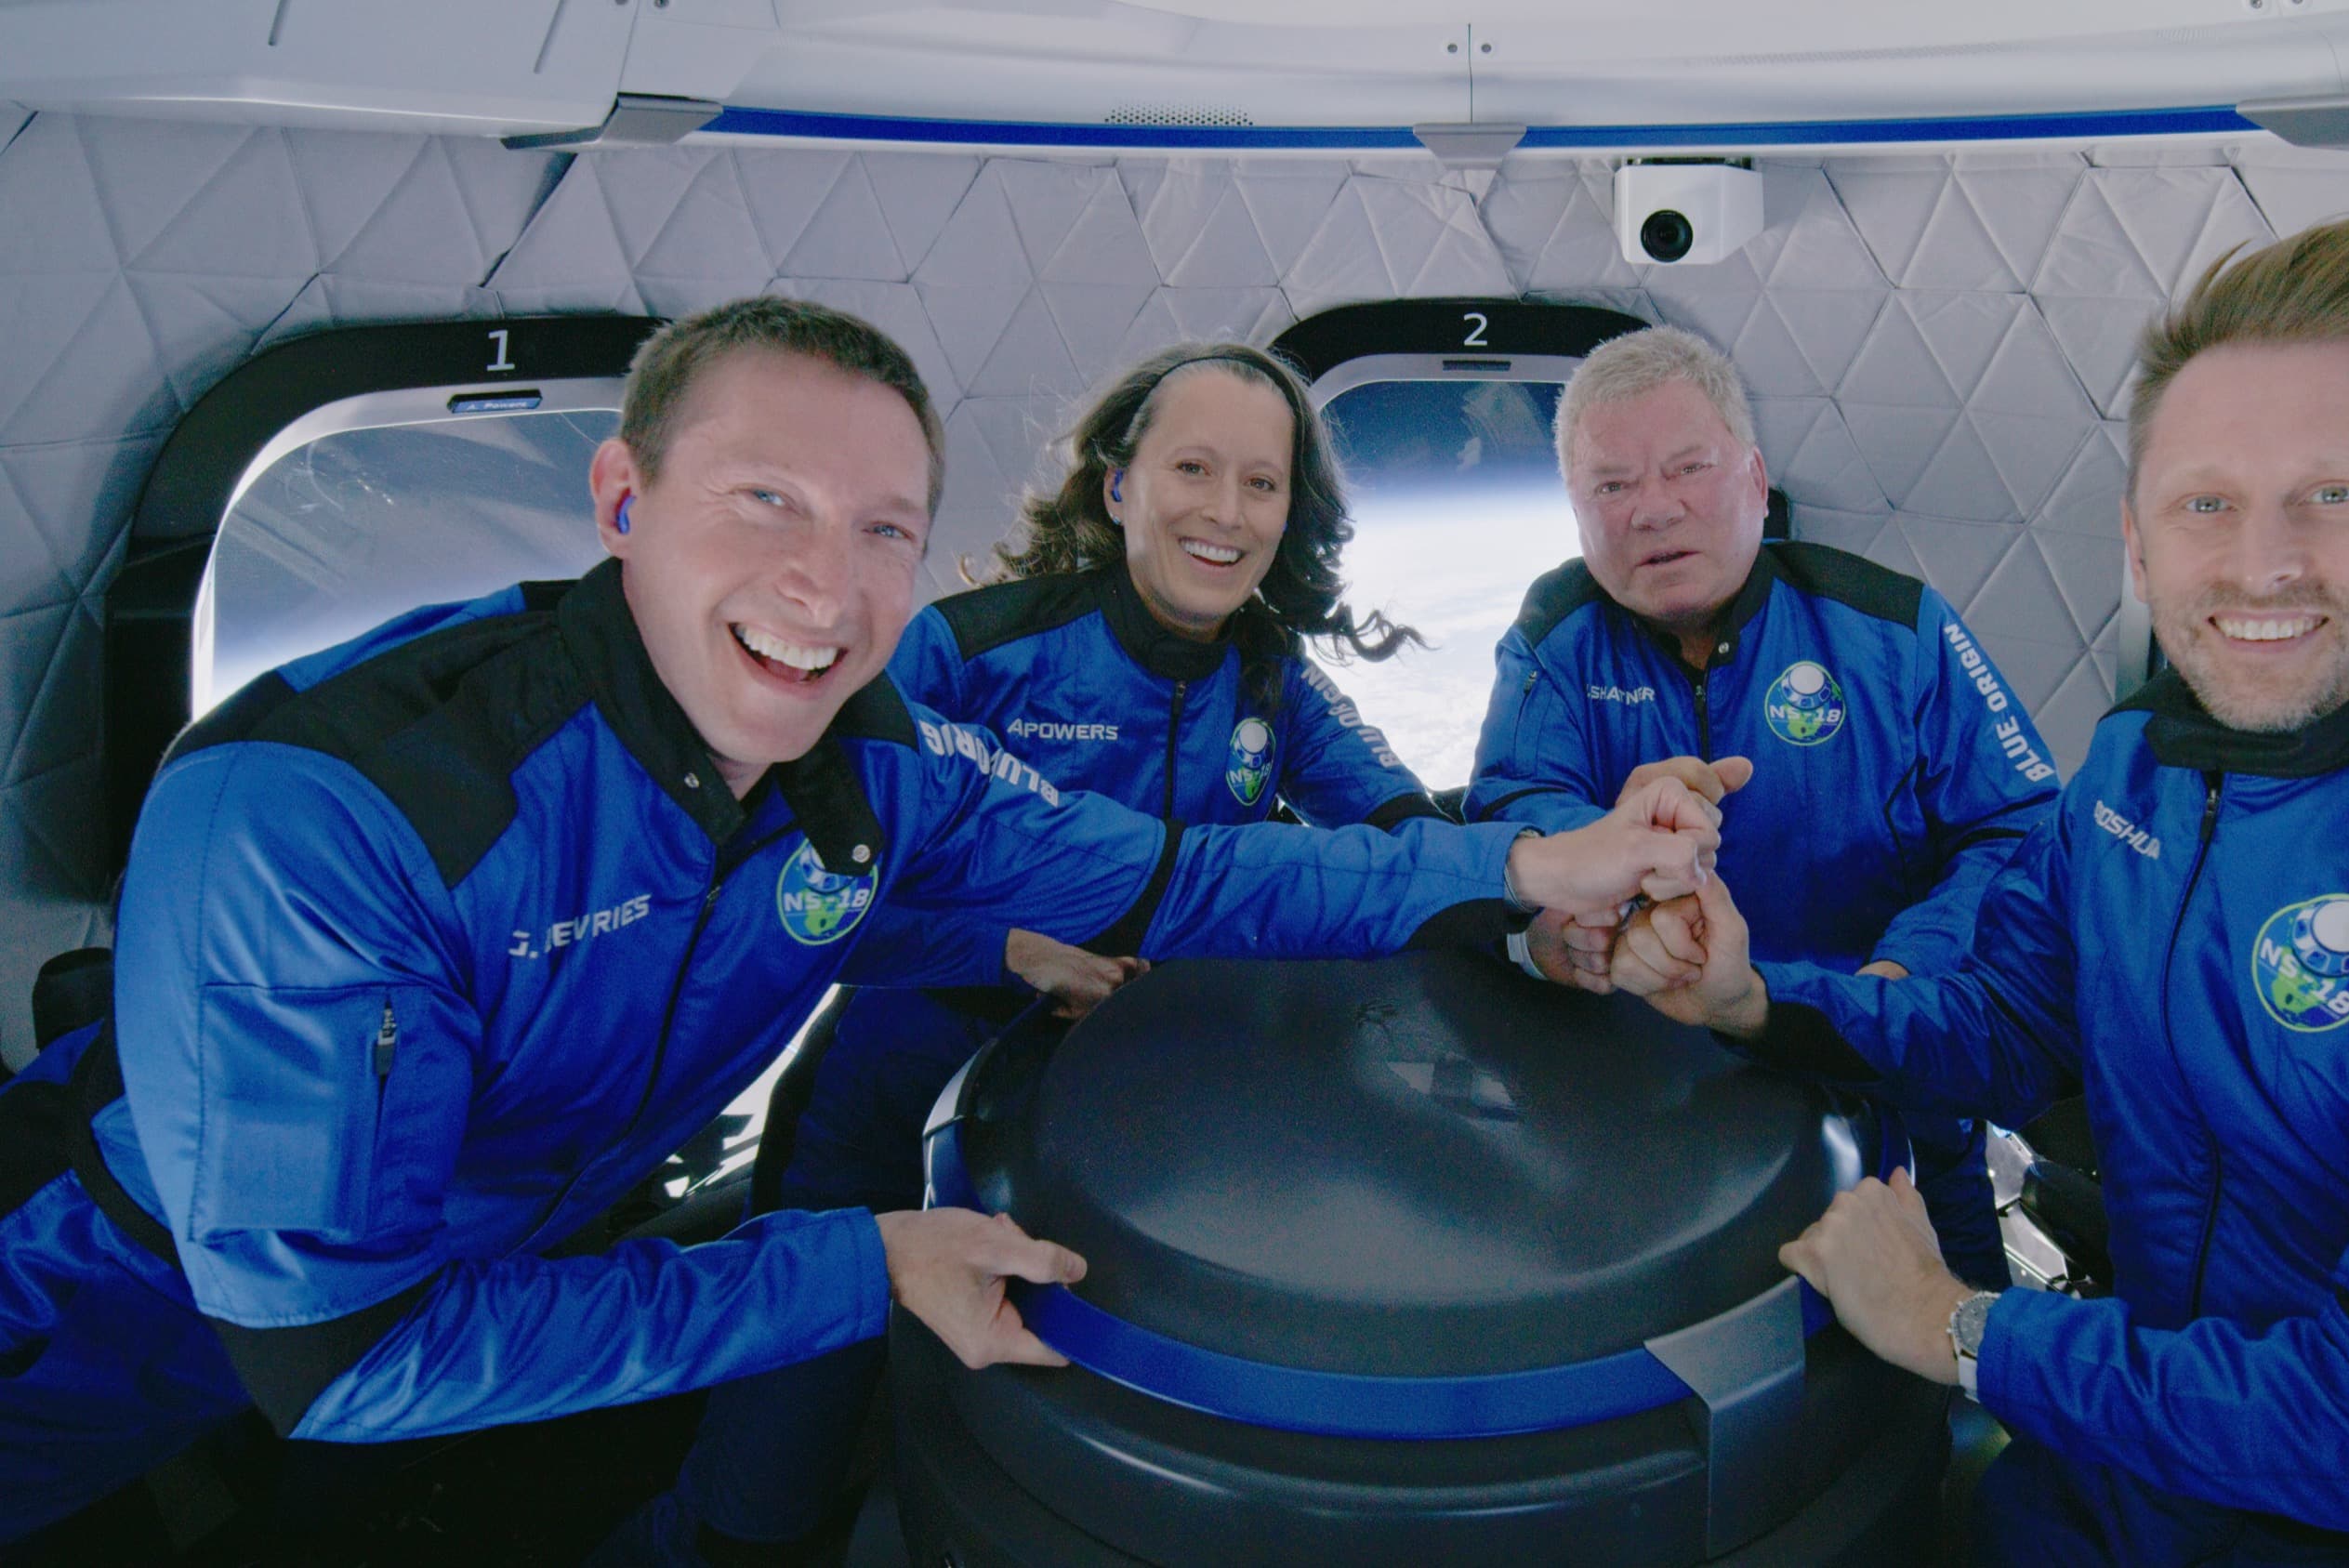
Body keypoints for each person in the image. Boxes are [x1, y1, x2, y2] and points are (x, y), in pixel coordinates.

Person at [0, 296, 1722, 1553]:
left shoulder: (879, 768)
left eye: (882, 528)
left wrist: (1527, 873)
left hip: (522, 1273)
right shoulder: (334, 814)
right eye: (767, 501)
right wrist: (868, 1258)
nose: (829, 587)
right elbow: (346, 1352)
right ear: (621, 502)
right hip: (103, 1298)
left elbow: (1187, 875)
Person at [1610, 217, 2349, 1564]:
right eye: (2205, 501)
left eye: (2336, 495)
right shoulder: (2139, 768)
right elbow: (2004, 1023)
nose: (2259, 562)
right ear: (2137, 537)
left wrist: (1959, 1324)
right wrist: (1757, 999)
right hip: (2133, 1476)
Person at [640, 340, 1448, 1564]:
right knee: (768, 1476)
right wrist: (1013, 944)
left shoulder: (1275, 683)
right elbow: (821, 877)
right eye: (1191, 466)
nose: (1227, 511)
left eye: (1263, 483)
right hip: (892, 1091)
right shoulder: (970, 651)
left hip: (1123, 1124)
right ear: (1118, 484)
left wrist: (1549, 887)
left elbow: (1408, 832)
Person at [1463, 323, 2058, 1288]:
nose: (1653, 510)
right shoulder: (1553, 639)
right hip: (1648, 1096)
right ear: (1577, 513)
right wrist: (1614, 850)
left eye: (1687, 467)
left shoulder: (1895, 629)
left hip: (1879, 1066)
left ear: (1753, 478)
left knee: (1934, 1365)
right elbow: (1510, 811)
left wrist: (1907, 969)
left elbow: (2022, 829)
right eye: (1611, 487)